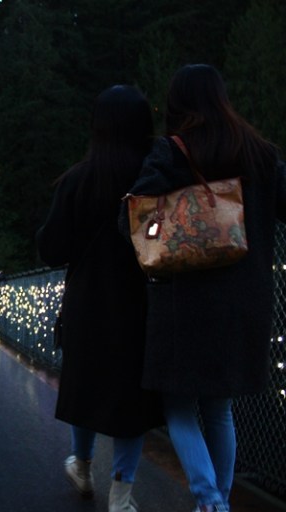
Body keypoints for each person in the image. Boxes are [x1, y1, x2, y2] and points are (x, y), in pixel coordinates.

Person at [120, 64, 286, 512]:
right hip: (246, 302)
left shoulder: (170, 152)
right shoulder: (261, 154)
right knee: (219, 410)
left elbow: (134, 219)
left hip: (184, 302)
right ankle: (220, 502)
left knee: (178, 408)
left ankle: (208, 498)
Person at [36, 85, 164, 511]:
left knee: (85, 386)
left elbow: (51, 248)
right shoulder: (155, 177)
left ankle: (83, 466)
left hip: (88, 303)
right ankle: (122, 494)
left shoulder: (77, 180)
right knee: (133, 400)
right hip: (144, 302)